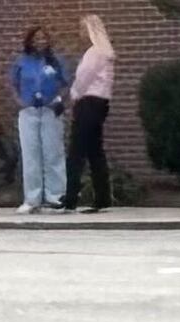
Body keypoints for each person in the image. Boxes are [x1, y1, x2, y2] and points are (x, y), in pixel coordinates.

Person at [13, 27, 72, 210]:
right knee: (31, 155)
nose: (40, 41)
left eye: (44, 38)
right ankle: (32, 199)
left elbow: (66, 84)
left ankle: (56, 196)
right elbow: (13, 85)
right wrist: (20, 102)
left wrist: (58, 99)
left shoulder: (55, 62)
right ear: (30, 41)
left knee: (53, 153)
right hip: (29, 112)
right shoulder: (22, 62)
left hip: (50, 111)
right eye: (36, 38)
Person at [69, 14, 120, 211]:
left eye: (83, 29)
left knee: (76, 151)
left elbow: (83, 77)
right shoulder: (106, 52)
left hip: (88, 102)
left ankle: (70, 197)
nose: (80, 33)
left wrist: (74, 94)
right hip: (101, 103)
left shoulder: (94, 53)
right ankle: (102, 197)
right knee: (95, 151)